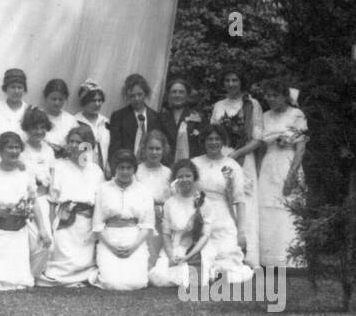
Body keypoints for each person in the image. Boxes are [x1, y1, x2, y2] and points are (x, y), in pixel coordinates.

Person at [0, 131, 46, 290]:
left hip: (17, 234)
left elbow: (34, 202)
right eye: (9, 147)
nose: (14, 151)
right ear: (0, 150)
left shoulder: (25, 173)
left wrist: (42, 229)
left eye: (17, 147)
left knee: (19, 283)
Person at [39, 124, 104, 287]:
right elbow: (53, 201)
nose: (74, 146)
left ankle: (83, 275)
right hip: (65, 220)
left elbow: (100, 204)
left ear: (88, 145)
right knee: (62, 258)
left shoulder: (96, 171)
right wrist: (52, 227)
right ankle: (61, 276)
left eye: (79, 142)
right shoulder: (59, 166)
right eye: (72, 141)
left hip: (87, 223)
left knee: (84, 258)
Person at [210, 70, 263, 264]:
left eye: (235, 79)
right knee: (225, 201)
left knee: (245, 203)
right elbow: (213, 134)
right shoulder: (218, 106)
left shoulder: (252, 104)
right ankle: (225, 253)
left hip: (244, 158)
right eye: (227, 80)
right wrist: (223, 154)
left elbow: (258, 138)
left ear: (241, 82)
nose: (231, 83)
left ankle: (249, 256)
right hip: (223, 157)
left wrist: (237, 153)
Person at [255, 78, 309, 268]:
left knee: (288, 207)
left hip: (288, 162)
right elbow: (261, 147)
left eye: (275, 95)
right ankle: (268, 260)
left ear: (284, 96)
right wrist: (258, 172)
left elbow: (301, 147)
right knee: (267, 208)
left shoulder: (296, 114)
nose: (270, 99)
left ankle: (291, 260)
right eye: (268, 95)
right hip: (269, 165)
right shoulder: (265, 116)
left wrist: (292, 175)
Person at [194, 124, 255, 283]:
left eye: (217, 139)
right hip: (199, 217)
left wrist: (241, 231)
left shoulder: (232, 165)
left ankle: (218, 271)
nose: (213, 143)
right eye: (209, 139)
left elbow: (239, 201)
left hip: (223, 218)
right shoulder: (194, 163)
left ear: (223, 141)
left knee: (229, 264)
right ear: (203, 141)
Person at [93, 149, 156, 290]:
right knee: (111, 283)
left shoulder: (144, 191)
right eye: (121, 168)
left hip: (134, 237)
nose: (125, 172)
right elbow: (97, 225)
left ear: (134, 169)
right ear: (115, 168)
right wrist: (112, 247)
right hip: (109, 237)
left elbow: (147, 225)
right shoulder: (103, 189)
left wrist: (133, 246)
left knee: (137, 283)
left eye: (129, 168)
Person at [150, 159, 204, 289]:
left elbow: (203, 235)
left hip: (193, 250)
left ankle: (192, 271)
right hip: (172, 248)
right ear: (175, 180)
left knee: (192, 277)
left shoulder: (201, 201)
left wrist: (187, 256)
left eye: (188, 176)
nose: (184, 179)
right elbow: (166, 233)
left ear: (194, 177)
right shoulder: (170, 203)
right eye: (180, 176)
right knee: (156, 277)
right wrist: (170, 255)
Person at [20, 106, 56, 277]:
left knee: (47, 242)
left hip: (44, 200)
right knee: (33, 240)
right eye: (35, 127)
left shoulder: (48, 150)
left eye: (42, 127)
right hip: (27, 201)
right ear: (27, 128)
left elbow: (52, 176)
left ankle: (34, 275)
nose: (39, 131)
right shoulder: (21, 150)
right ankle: (26, 274)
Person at [107, 73, 156, 171]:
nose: (137, 99)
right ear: (127, 96)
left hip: (149, 167)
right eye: (132, 96)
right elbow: (114, 147)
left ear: (145, 93)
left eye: (140, 94)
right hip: (126, 167)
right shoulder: (118, 117)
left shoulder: (156, 117)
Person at [154, 78, 206, 164]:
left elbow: (202, 146)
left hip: (191, 165)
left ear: (187, 95)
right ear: (168, 95)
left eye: (181, 92)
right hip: (166, 165)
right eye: (174, 92)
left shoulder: (198, 118)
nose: (177, 95)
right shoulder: (160, 118)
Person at [0, 67, 29, 165]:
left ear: (24, 89)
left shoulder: (29, 111)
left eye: (20, 87)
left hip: (23, 162)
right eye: (13, 87)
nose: (16, 91)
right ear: (5, 89)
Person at [74, 81, 111, 178]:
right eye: (93, 101)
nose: (97, 104)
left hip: (105, 172)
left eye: (100, 100)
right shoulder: (75, 122)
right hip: (83, 172)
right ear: (84, 101)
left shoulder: (106, 122)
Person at [41, 78, 78, 158]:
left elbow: (76, 144)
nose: (57, 103)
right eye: (53, 99)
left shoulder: (71, 120)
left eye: (60, 99)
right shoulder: (36, 116)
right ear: (46, 97)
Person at [135, 130, 174, 201]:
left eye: (158, 149)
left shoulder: (168, 173)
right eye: (151, 148)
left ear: (163, 150)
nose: (154, 152)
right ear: (144, 149)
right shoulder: (136, 171)